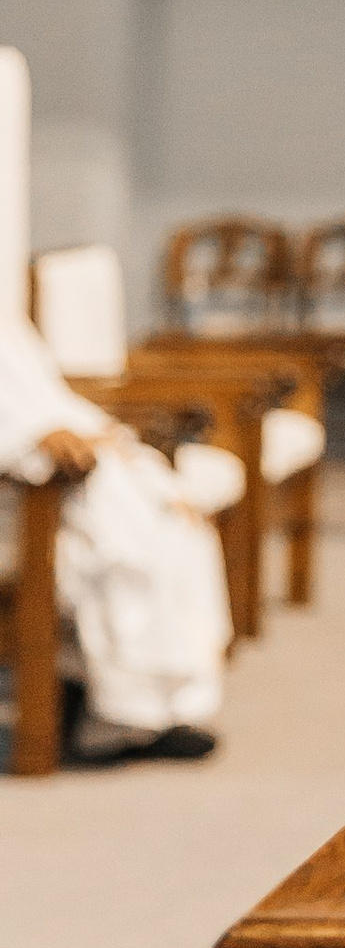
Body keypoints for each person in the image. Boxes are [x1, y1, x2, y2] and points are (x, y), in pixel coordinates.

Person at [0, 308, 233, 761]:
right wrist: (31, 439)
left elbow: (50, 399)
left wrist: (90, 434)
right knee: (105, 545)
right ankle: (113, 717)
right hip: (22, 501)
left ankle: (152, 713)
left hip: (53, 486)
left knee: (173, 523)